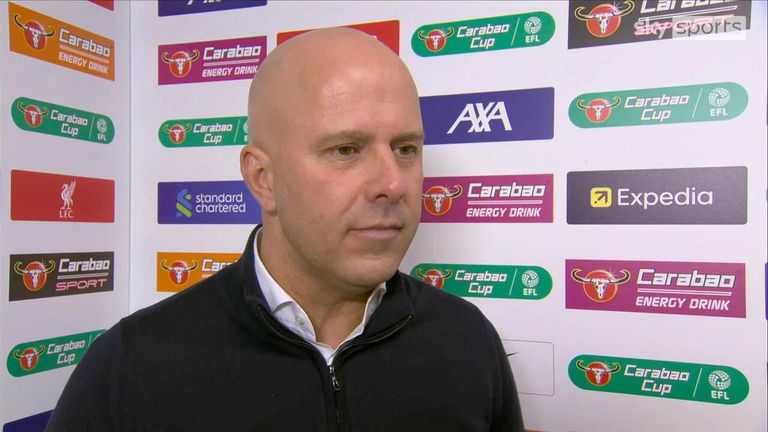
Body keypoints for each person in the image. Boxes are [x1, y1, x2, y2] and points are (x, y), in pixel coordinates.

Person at [46, 28, 524, 431]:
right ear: (263, 179)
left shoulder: (468, 342)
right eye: (345, 150)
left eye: (406, 149)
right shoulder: (133, 364)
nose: (392, 184)